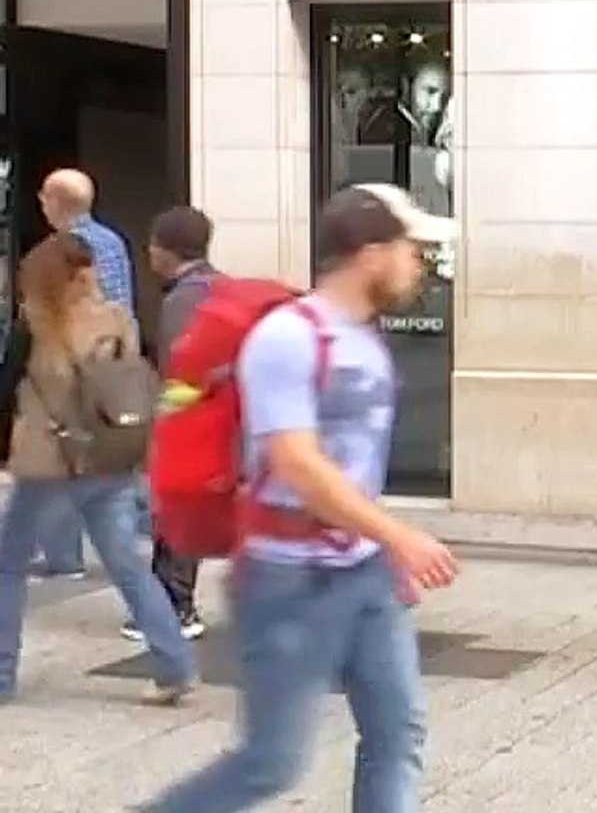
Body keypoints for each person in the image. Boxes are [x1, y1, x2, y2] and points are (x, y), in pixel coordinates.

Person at [142, 184, 462, 812]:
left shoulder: (364, 337)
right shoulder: (289, 336)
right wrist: (399, 535)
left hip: (363, 572)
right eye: (411, 248)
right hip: (288, 578)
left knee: (397, 733)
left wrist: (378, 545)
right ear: (371, 251)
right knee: (271, 764)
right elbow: (295, 460)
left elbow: (350, 467)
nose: (418, 264)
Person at [0, 233, 196, 706]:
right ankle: (174, 665)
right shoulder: (117, 320)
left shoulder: (36, 325)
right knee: (128, 566)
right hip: (111, 457)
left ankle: (2, 673)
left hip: (52, 463)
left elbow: (6, 387)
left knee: (7, 566)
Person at [29, 167, 137, 580]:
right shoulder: (111, 242)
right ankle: (99, 549)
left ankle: (64, 555)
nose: (41, 204)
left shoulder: (62, 249)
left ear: (57, 203)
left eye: (43, 197)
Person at [121, 205, 219, 644]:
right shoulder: (217, 288)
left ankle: (173, 605)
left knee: (175, 514)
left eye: (153, 246)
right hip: (212, 421)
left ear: (166, 249)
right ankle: (173, 601)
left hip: (190, 423)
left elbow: (182, 368)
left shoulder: (183, 298)